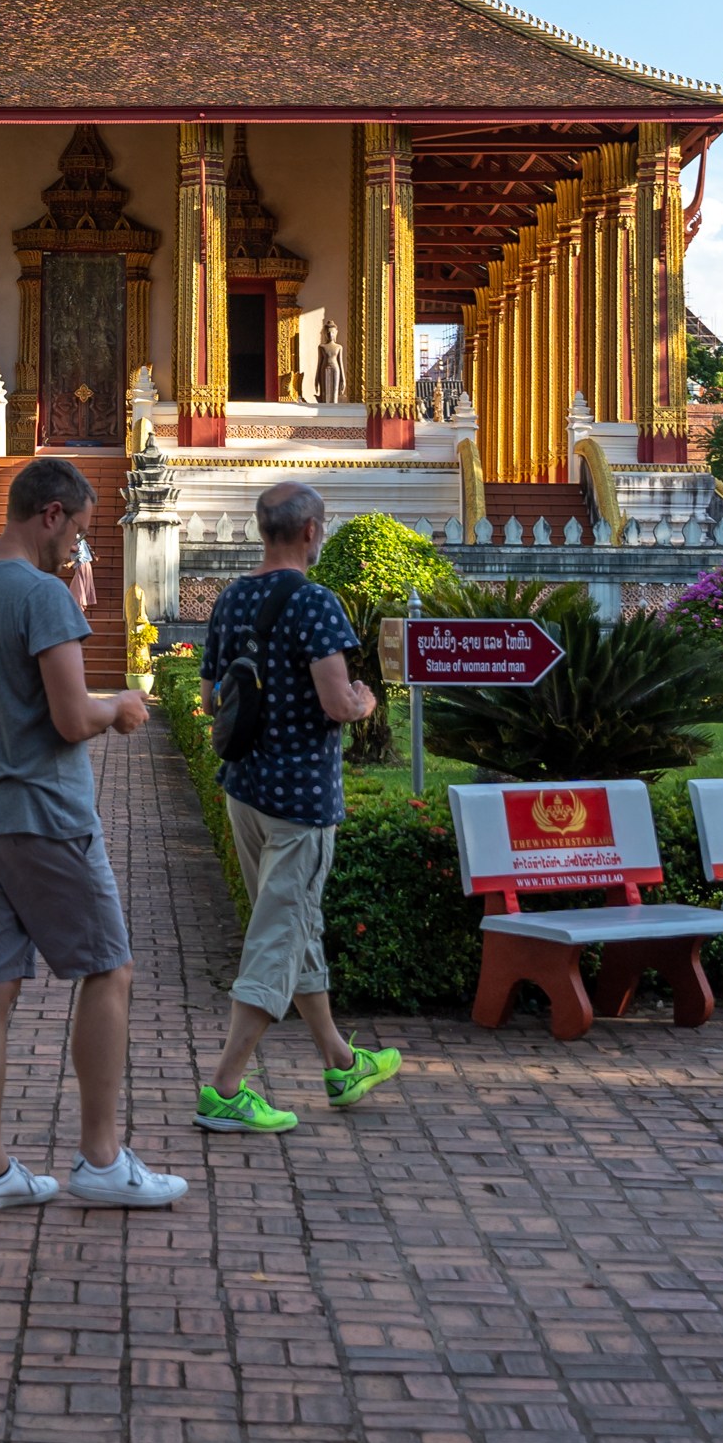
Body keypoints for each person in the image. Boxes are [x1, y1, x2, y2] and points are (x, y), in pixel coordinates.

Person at [0, 457, 185, 1211]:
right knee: (108, 970)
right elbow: (75, 718)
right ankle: (101, 1157)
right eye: (79, 529)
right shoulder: (41, 596)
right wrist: (122, 706)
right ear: (51, 516)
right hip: (46, 815)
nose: (80, 545)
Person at [192, 483, 402, 1133]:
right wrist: (366, 700)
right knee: (279, 934)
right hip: (303, 801)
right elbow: (339, 704)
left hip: (245, 792)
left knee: (292, 925)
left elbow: (207, 698)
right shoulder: (316, 603)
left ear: (264, 531)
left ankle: (341, 1062)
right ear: (311, 530)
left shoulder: (230, 599)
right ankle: (226, 1086)